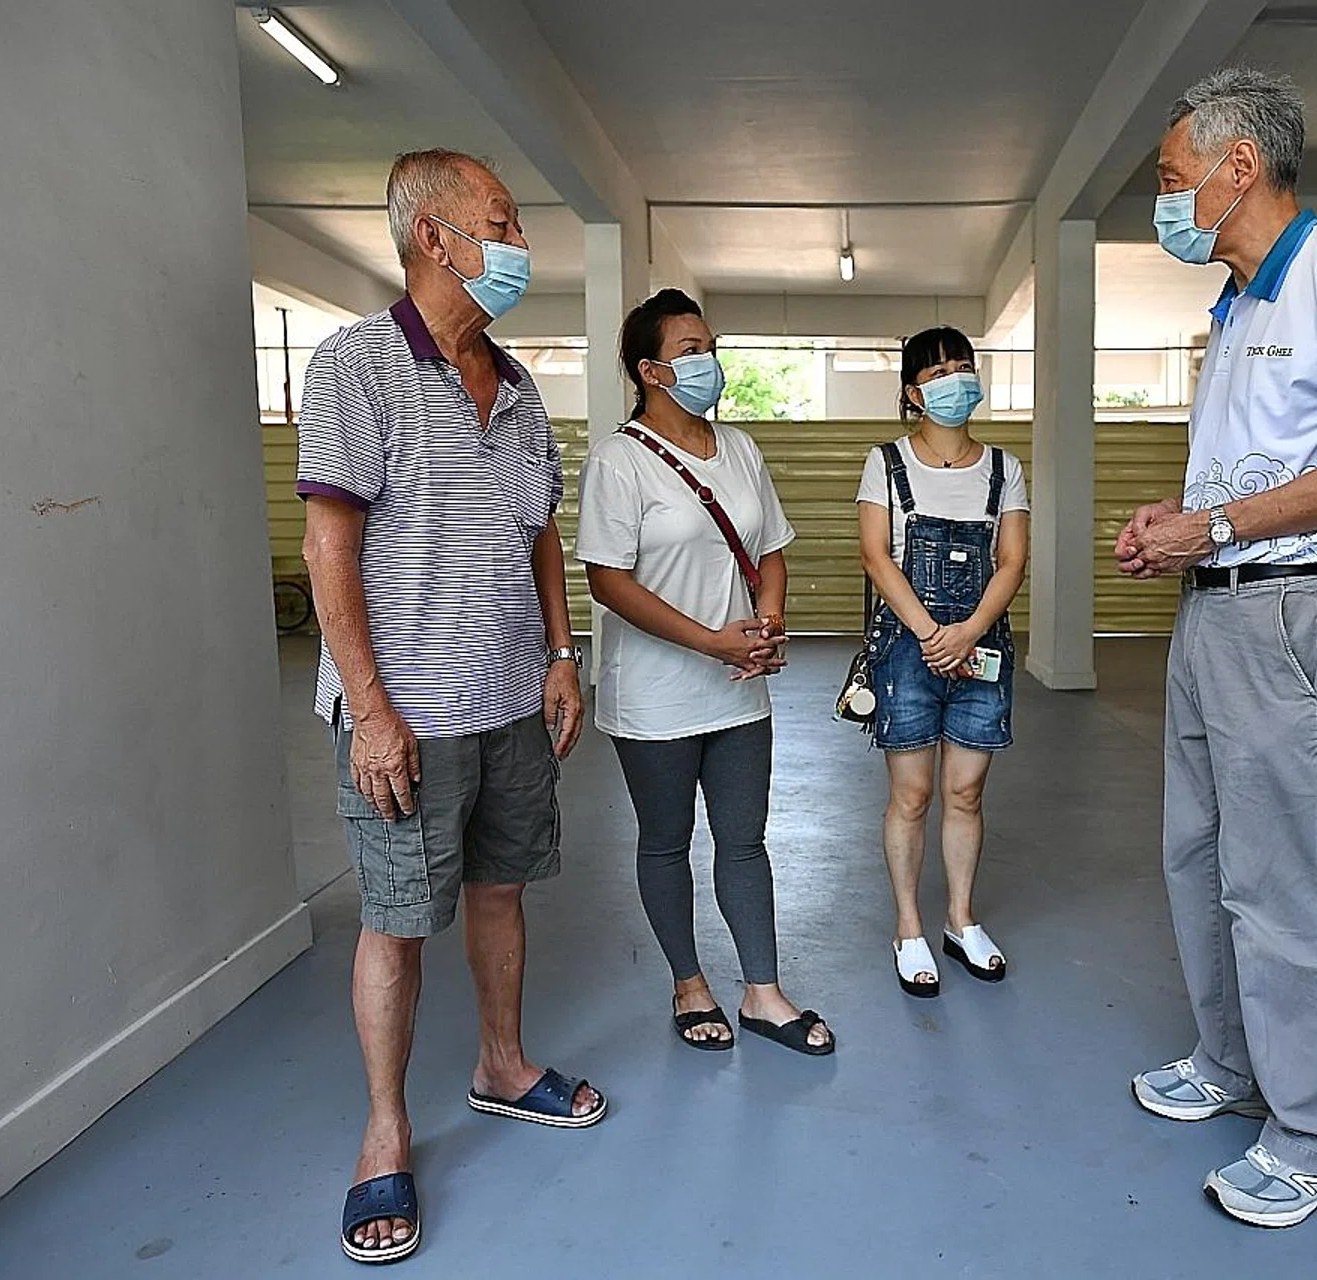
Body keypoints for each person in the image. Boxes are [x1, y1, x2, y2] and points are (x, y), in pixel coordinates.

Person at [1113, 68, 1317, 1228]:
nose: (1166, 197)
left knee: (1290, 878)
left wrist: (1223, 525)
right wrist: (1179, 522)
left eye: (1168, 175)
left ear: (1236, 164)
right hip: (1216, 609)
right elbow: (1251, 475)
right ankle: (1234, 1062)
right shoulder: (1234, 308)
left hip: (1293, 611)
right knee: (1200, 855)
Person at [297, 150, 602, 1266]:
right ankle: (386, 1130)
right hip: (406, 718)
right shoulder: (356, 364)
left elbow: (538, 534)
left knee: (502, 890)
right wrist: (371, 709)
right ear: (437, 238)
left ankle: (503, 1065)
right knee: (395, 921)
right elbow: (329, 541)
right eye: (505, 222)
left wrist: (562, 652)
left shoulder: (518, 389)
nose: (522, 242)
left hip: (509, 701)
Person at [577, 288, 835, 1057]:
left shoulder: (742, 450)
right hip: (656, 697)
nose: (709, 360)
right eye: (691, 349)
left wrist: (767, 623)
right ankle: (689, 984)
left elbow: (771, 551)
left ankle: (763, 990)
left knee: (745, 840)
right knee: (665, 842)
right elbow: (608, 581)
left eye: (709, 344)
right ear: (651, 369)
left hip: (738, 689)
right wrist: (710, 641)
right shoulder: (619, 461)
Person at [856, 327, 1030, 997]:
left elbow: (1012, 559)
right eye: (937, 374)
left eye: (963, 368)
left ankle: (960, 919)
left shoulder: (1003, 468)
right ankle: (908, 927)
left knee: (965, 792)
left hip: (981, 646)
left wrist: (969, 633)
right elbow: (876, 555)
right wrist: (934, 633)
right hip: (908, 646)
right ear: (912, 392)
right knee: (913, 794)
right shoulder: (887, 462)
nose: (954, 382)